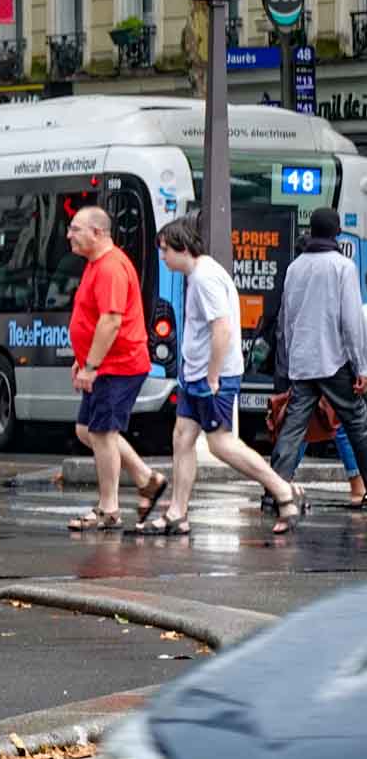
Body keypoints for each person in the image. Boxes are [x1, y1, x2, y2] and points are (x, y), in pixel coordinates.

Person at [140, 216, 298, 535]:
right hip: (195, 374)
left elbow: (222, 329)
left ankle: (283, 490)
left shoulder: (204, 278)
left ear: (183, 247)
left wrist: (212, 377)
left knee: (221, 444)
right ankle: (177, 512)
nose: (162, 256)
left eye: (165, 250)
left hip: (210, 376)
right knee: (182, 437)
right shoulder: (200, 274)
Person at [64, 206, 167, 532]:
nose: (69, 235)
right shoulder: (96, 264)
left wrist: (91, 365)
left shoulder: (110, 267)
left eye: (75, 229)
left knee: (103, 433)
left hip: (118, 365)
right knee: (87, 430)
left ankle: (109, 509)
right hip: (105, 363)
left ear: (97, 233)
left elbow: (111, 321)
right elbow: (94, 318)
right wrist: (83, 358)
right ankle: (145, 479)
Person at [267, 206, 367, 530]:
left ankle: (276, 492)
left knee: (292, 429)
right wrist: (360, 366)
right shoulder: (343, 267)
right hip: (334, 361)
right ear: (336, 232)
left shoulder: (295, 267)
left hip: (302, 363)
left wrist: (290, 362)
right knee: (357, 423)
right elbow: (351, 321)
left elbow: (287, 319)